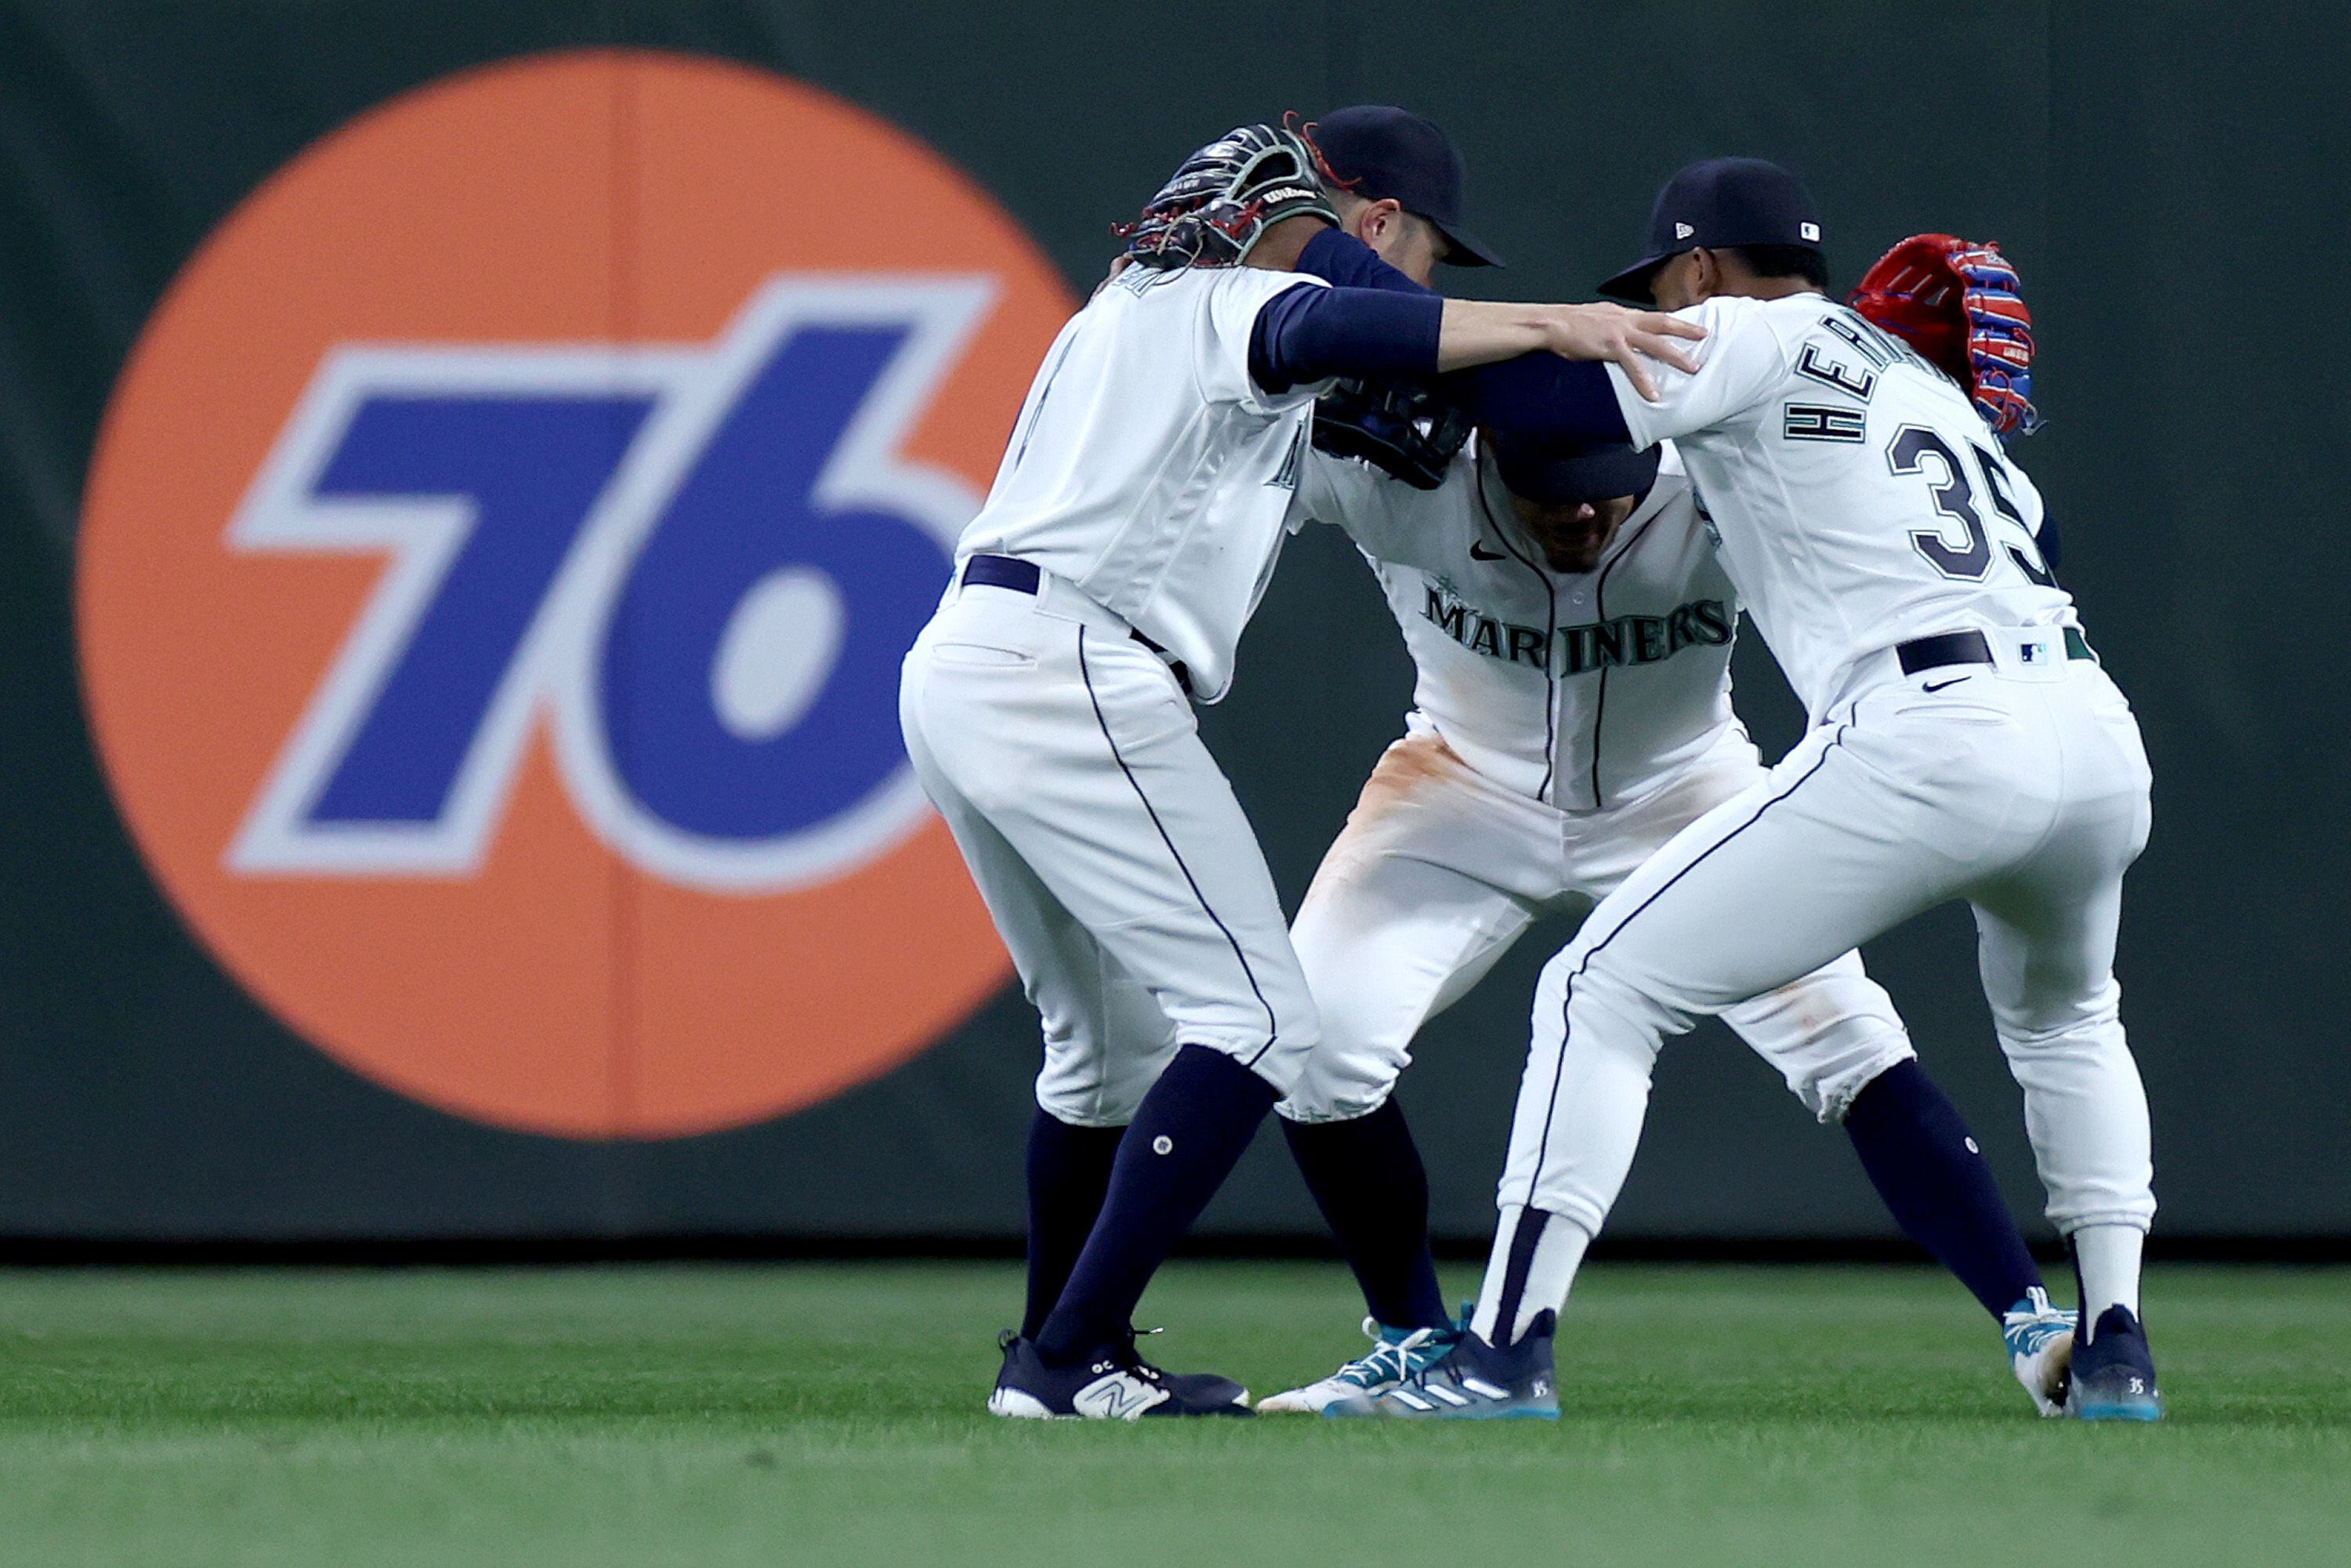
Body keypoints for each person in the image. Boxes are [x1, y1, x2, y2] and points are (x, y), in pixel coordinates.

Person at [1331, 158, 2162, 1423]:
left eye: (1655, 288)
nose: (1648, 312)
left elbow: (1560, 417)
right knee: (2067, 1023)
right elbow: (2036, 547)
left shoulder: (1741, 330)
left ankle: (1501, 1354)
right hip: (2090, 724)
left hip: (1933, 724)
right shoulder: (1921, 378)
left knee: (1599, 988)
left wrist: (1346, 284)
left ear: (1700, 269)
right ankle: (2113, 1347)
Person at [897, 121, 1702, 1418]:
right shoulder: (1227, 303)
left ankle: (1047, 1360)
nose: (1426, 280)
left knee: (1097, 1053)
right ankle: (1073, 1350)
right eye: (1424, 253)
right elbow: (1335, 333)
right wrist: (1555, 326)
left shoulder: (1121, 310)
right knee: (1266, 1019)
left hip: (966, 660)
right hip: (1077, 666)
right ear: (1367, 227)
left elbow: (1347, 390)